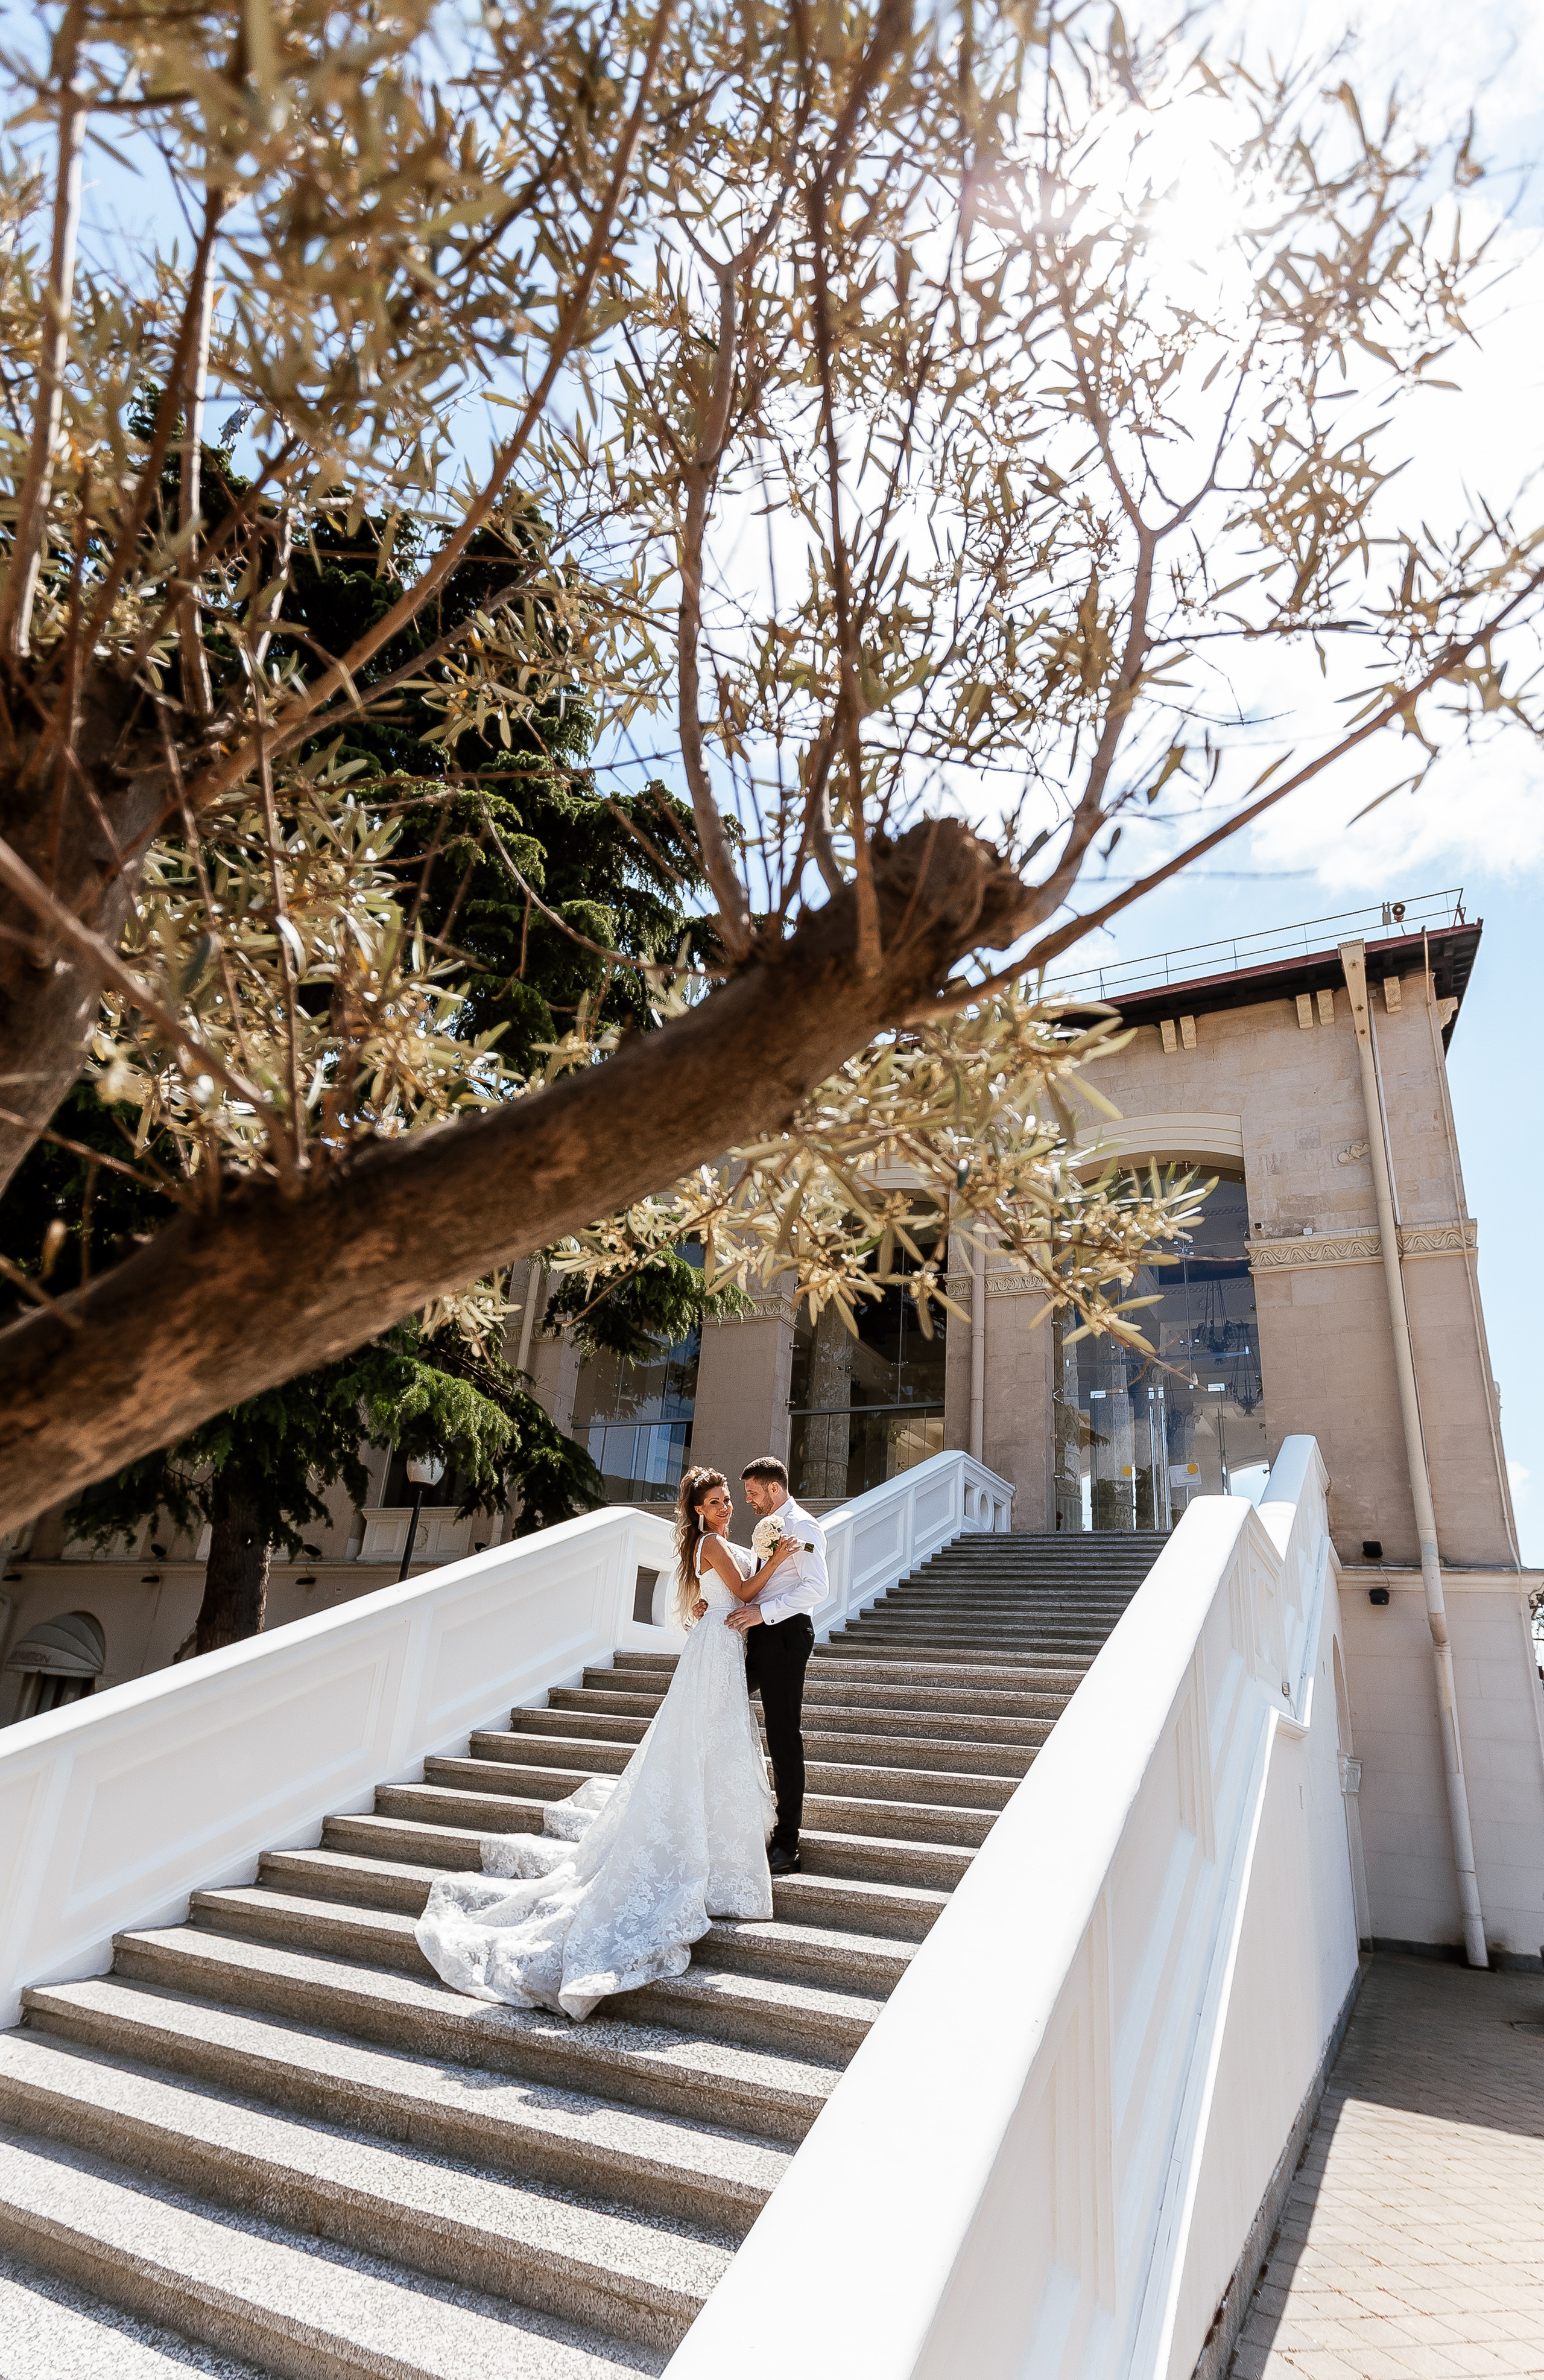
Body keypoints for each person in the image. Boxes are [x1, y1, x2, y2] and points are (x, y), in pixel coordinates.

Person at [413, 1467, 800, 2019]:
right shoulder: (711, 1542)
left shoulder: (717, 1543)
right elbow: (740, 1591)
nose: (726, 1508)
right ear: (697, 1509)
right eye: (715, 1502)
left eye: (727, 1501)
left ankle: (718, 1835)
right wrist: (780, 1559)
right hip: (716, 1649)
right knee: (702, 1743)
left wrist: (759, 1567)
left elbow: (726, 1591)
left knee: (715, 1742)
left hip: (721, 1646)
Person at [726, 1455, 827, 1876]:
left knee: (783, 1734)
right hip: (761, 1634)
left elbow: (817, 1587)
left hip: (786, 1636)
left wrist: (764, 1615)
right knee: (721, 1700)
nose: (748, 1501)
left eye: (752, 1492)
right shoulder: (769, 1526)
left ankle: (787, 1843)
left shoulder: (802, 1526)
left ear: (773, 1488)